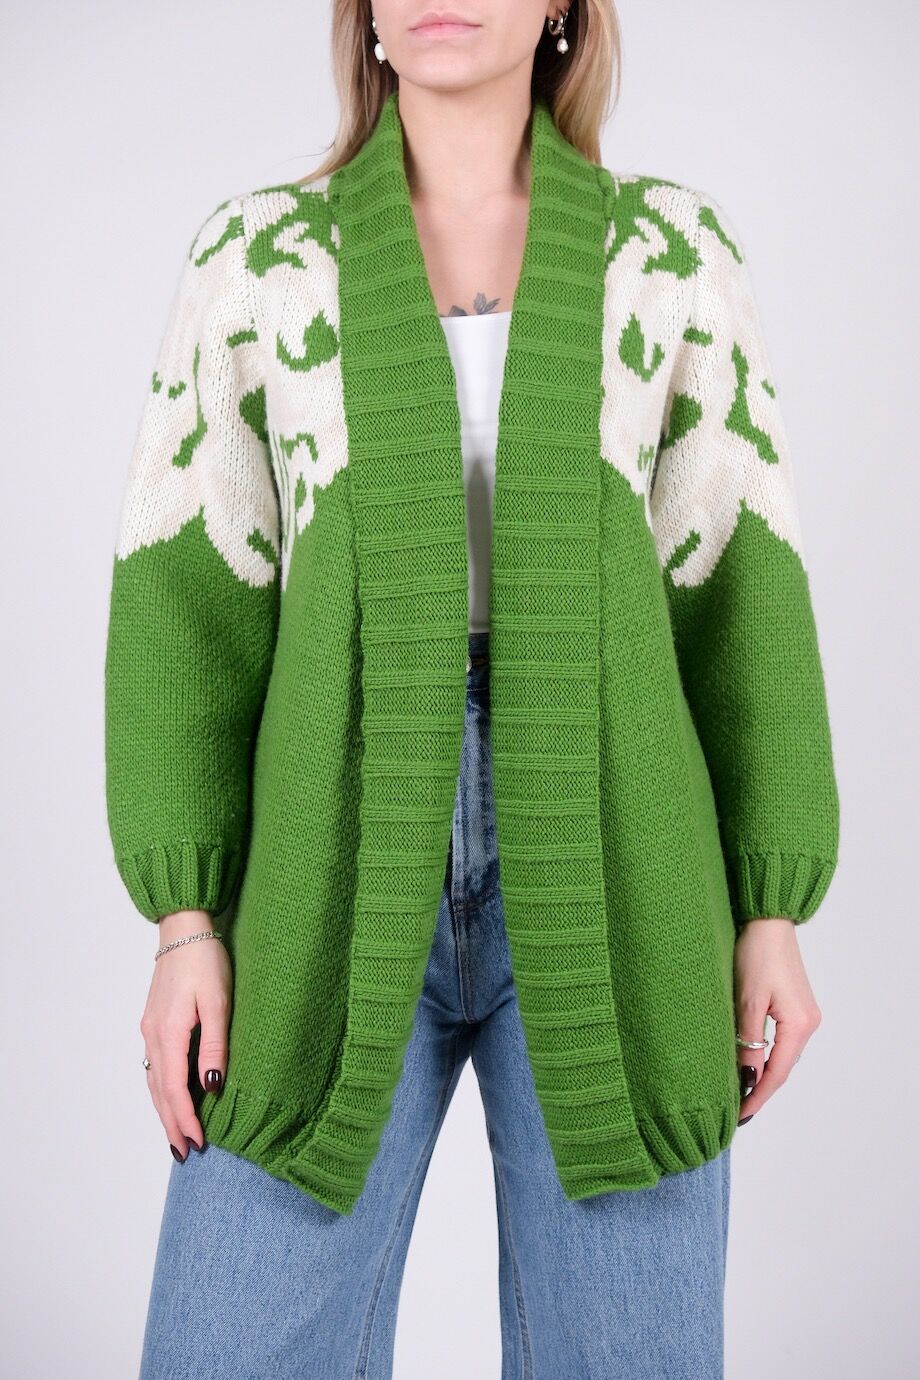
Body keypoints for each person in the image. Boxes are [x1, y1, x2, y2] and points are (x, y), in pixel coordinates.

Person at [103, 2, 840, 1376]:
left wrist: (771, 909)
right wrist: (184, 925)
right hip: (326, 868)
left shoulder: (669, 254)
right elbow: (185, 608)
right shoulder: (259, 261)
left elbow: (743, 590)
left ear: (562, 5)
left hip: (626, 870)